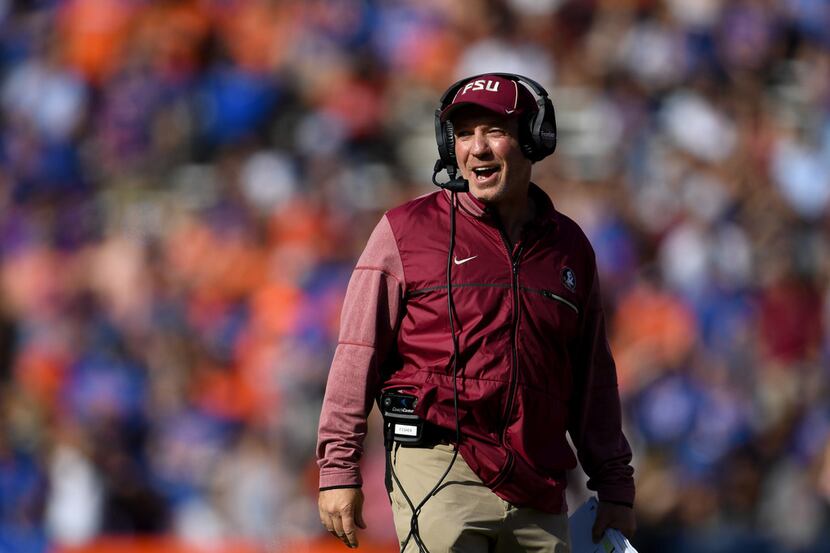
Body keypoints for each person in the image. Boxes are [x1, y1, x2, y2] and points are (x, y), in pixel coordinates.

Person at [316, 73, 636, 552]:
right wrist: (338, 468)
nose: (477, 148)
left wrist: (613, 485)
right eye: (464, 134)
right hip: (440, 466)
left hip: (540, 481)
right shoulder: (404, 231)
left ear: (534, 138)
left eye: (495, 131)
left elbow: (592, 378)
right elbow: (358, 352)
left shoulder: (570, 248)